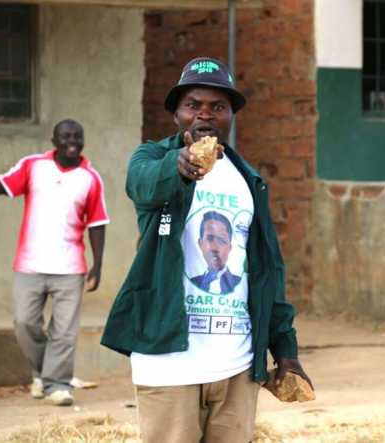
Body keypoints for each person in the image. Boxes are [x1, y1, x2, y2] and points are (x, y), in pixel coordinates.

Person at [101, 56, 312, 442]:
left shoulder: (248, 180)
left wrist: (285, 349)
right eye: (193, 105)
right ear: (176, 114)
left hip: (237, 364)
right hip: (169, 363)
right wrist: (178, 167)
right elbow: (142, 185)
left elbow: (267, 269)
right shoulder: (151, 159)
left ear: (231, 115)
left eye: (218, 107)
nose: (205, 115)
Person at [0, 119, 109, 406]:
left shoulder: (91, 178)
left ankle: (57, 385)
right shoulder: (33, 166)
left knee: (64, 331)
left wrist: (97, 265)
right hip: (30, 264)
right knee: (24, 323)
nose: (72, 141)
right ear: (54, 140)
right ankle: (43, 373)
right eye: (65, 136)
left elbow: (97, 223)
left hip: (71, 268)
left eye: (77, 136)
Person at [190, 210, 242, 294]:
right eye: (209, 239)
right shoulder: (191, 282)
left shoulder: (240, 283)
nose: (215, 247)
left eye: (221, 240)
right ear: (200, 244)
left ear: (230, 247)